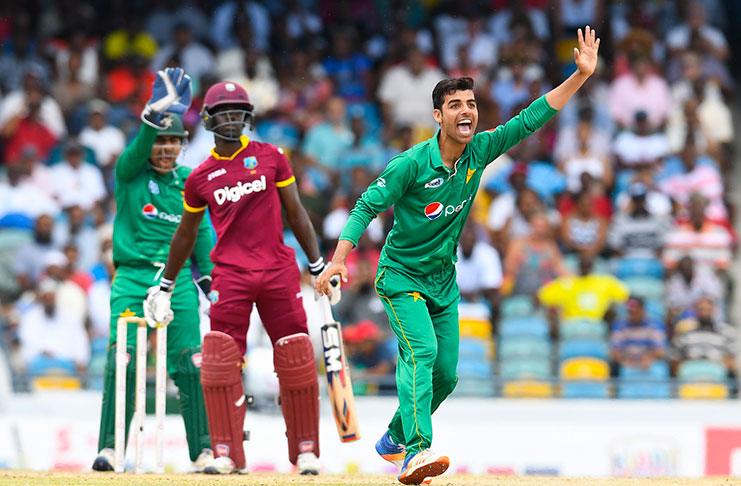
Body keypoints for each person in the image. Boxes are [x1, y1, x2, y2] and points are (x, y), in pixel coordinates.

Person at [316, 26, 601, 486]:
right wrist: (338, 260)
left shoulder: (480, 150)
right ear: (437, 115)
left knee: (447, 375)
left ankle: (392, 438)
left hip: (442, 282)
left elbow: (529, 120)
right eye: (455, 105)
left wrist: (579, 77)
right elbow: (366, 205)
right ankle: (414, 452)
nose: (466, 111)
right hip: (400, 277)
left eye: (470, 104)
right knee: (422, 353)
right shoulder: (410, 164)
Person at [144, 80, 337, 475]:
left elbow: (296, 213)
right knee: (219, 361)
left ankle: (305, 451)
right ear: (211, 121)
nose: (232, 119)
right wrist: (165, 284)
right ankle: (227, 453)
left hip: (278, 269)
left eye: (238, 112)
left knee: (296, 355)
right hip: (229, 274)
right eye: (224, 113)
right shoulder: (199, 177)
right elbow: (185, 233)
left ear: (247, 118)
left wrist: (319, 266)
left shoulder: (272, 158)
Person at [92, 68, 216, 473]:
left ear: (183, 145)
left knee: (191, 361)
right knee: (122, 360)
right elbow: (137, 148)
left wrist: (211, 282)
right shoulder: (129, 173)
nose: (164, 149)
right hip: (131, 278)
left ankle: (203, 452)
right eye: (159, 141)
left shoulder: (190, 182)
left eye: (172, 142)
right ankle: (111, 450)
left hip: (176, 281)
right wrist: (151, 117)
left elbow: (202, 236)